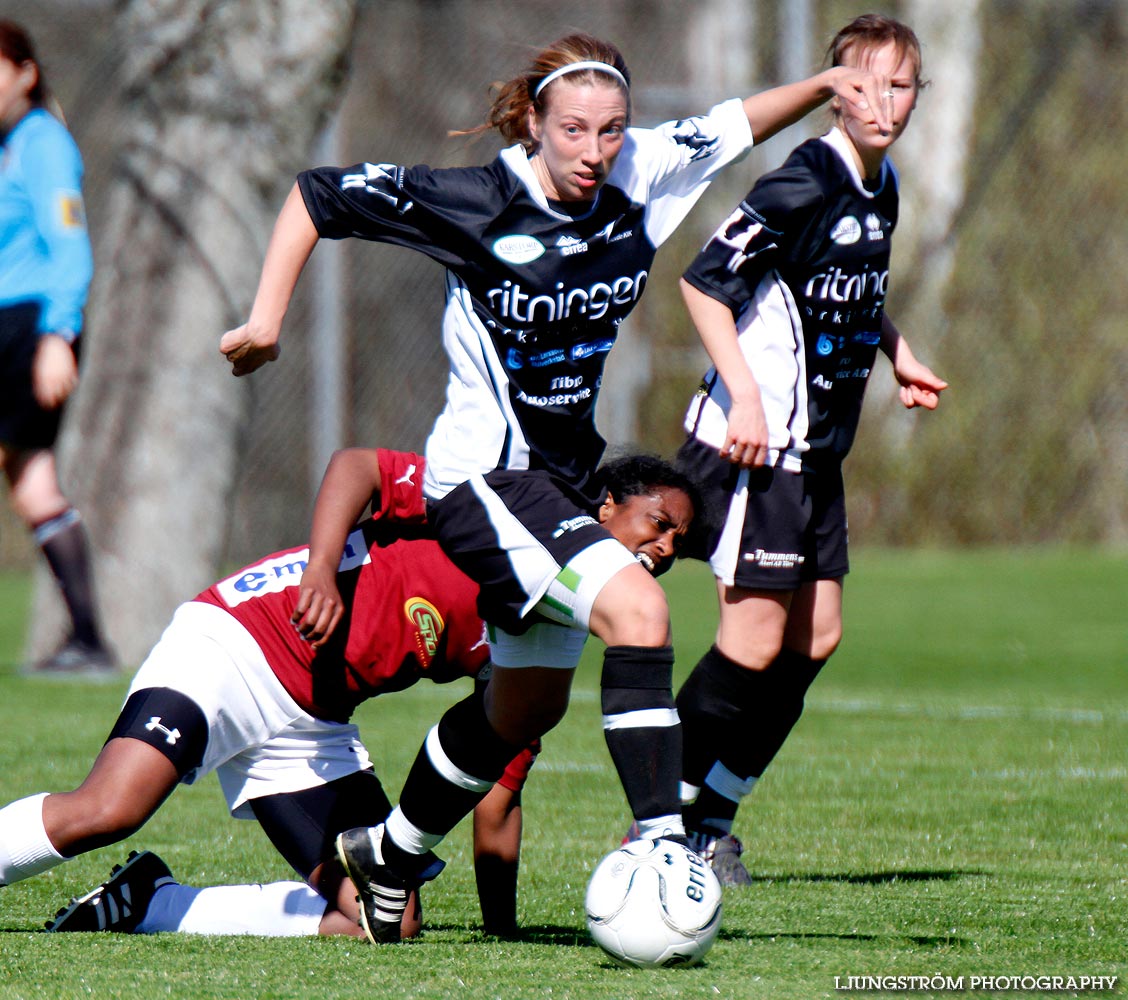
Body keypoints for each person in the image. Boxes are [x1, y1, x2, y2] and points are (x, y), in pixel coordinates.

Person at [219, 30, 898, 943]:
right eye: (573, 130)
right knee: (641, 614)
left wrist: (823, 83)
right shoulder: (476, 199)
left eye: (610, 130)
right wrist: (266, 318)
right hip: (486, 482)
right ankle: (665, 842)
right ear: (534, 122)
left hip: (566, 483)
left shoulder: (641, 172)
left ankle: (387, 848)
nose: (593, 151)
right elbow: (316, 196)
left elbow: (732, 126)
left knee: (524, 706)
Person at [0, 447, 697, 939]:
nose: (665, 549)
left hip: (312, 725)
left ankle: (151, 903)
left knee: (383, 919)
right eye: (657, 523)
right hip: (237, 642)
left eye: (679, 544)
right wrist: (323, 570)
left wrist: (503, 935)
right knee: (108, 808)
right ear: (605, 505)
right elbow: (357, 465)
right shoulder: (496, 504)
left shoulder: (553, 634)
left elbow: (499, 795)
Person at [671, 14, 948, 886]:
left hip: (814, 453)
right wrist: (745, 396)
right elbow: (704, 283)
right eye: (865, 83)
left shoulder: (883, 183)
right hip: (756, 449)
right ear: (834, 89)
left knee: (816, 638)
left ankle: (711, 814)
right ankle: (661, 825)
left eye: (901, 85)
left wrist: (896, 351)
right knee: (752, 643)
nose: (884, 102)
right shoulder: (803, 180)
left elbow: (845, 294)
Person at [0, 20, 112, 673]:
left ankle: (90, 640)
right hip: (16, 326)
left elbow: (70, 247)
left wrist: (57, 335)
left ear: (26, 72)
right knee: (35, 487)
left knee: (34, 481)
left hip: (26, 327)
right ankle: (89, 641)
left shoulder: (42, 143)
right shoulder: (10, 147)